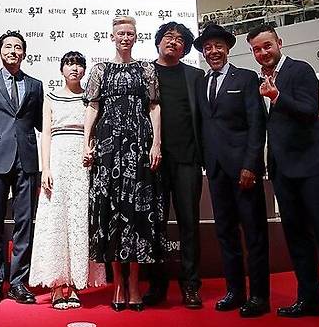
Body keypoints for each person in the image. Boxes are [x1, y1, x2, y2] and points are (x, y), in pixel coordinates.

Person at [248, 23, 319, 327]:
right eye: (256, 49)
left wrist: (277, 96)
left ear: (279, 43)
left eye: (267, 46)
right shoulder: (259, 79)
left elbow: (309, 111)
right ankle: (309, 299)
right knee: (296, 238)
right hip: (282, 171)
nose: (263, 53)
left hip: (313, 167)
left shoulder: (301, 70)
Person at [83, 16, 165, 312]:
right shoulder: (100, 70)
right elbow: (93, 107)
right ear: (112, 37)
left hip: (139, 145)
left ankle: (134, 284)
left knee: (137, 211)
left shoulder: (146, 70)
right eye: (121, 33)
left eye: (130, 33)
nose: (125, 37)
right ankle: (118, 282)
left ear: (135, 37)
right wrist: (86, 143)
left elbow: (154, 106)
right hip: (108, 147)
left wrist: (156, 143)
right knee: (111, 212)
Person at [194, 24, 270, 317]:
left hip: (243, 170)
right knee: (225, 233)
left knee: (254, 233)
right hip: (215, 170)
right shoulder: (201, 83)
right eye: (208, 48)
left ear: (227, 49)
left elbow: (257, 124)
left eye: (218, 46)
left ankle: (259, 296)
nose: (213, 52)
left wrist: (251, 164)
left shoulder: (246, 78)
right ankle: (235, 291)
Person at [29, 51, 106, 310]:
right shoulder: (50, 98)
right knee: (56, 221)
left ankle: (74, 284)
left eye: (79, 65)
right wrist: (46, 169)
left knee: (78, 222)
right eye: (70, 64)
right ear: (61, 69)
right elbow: (46, 135)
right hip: (57, 163)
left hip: (83, 166)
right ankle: (55, 285)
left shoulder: (90, 99)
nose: (75, 68)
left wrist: (90, 151)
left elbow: (94, 131)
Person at [0, 31, 44, 305]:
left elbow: (42, 123)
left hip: (27, 160)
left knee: (24, 224)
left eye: (18, 47)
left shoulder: (36, 85)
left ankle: (17, 283)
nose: (13, 51)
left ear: (24, 53)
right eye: (8, 47)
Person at [143, 22, 205, 309]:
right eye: (168, 37)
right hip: (152, 162)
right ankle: (157, 285)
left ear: (185, 48)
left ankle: (191, 285)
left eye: (180, 40)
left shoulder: (195, 76)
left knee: (189, 224)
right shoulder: (143, 73)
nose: (173, 42)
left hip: (187, 160)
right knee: (154, 225)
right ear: (158, 41)